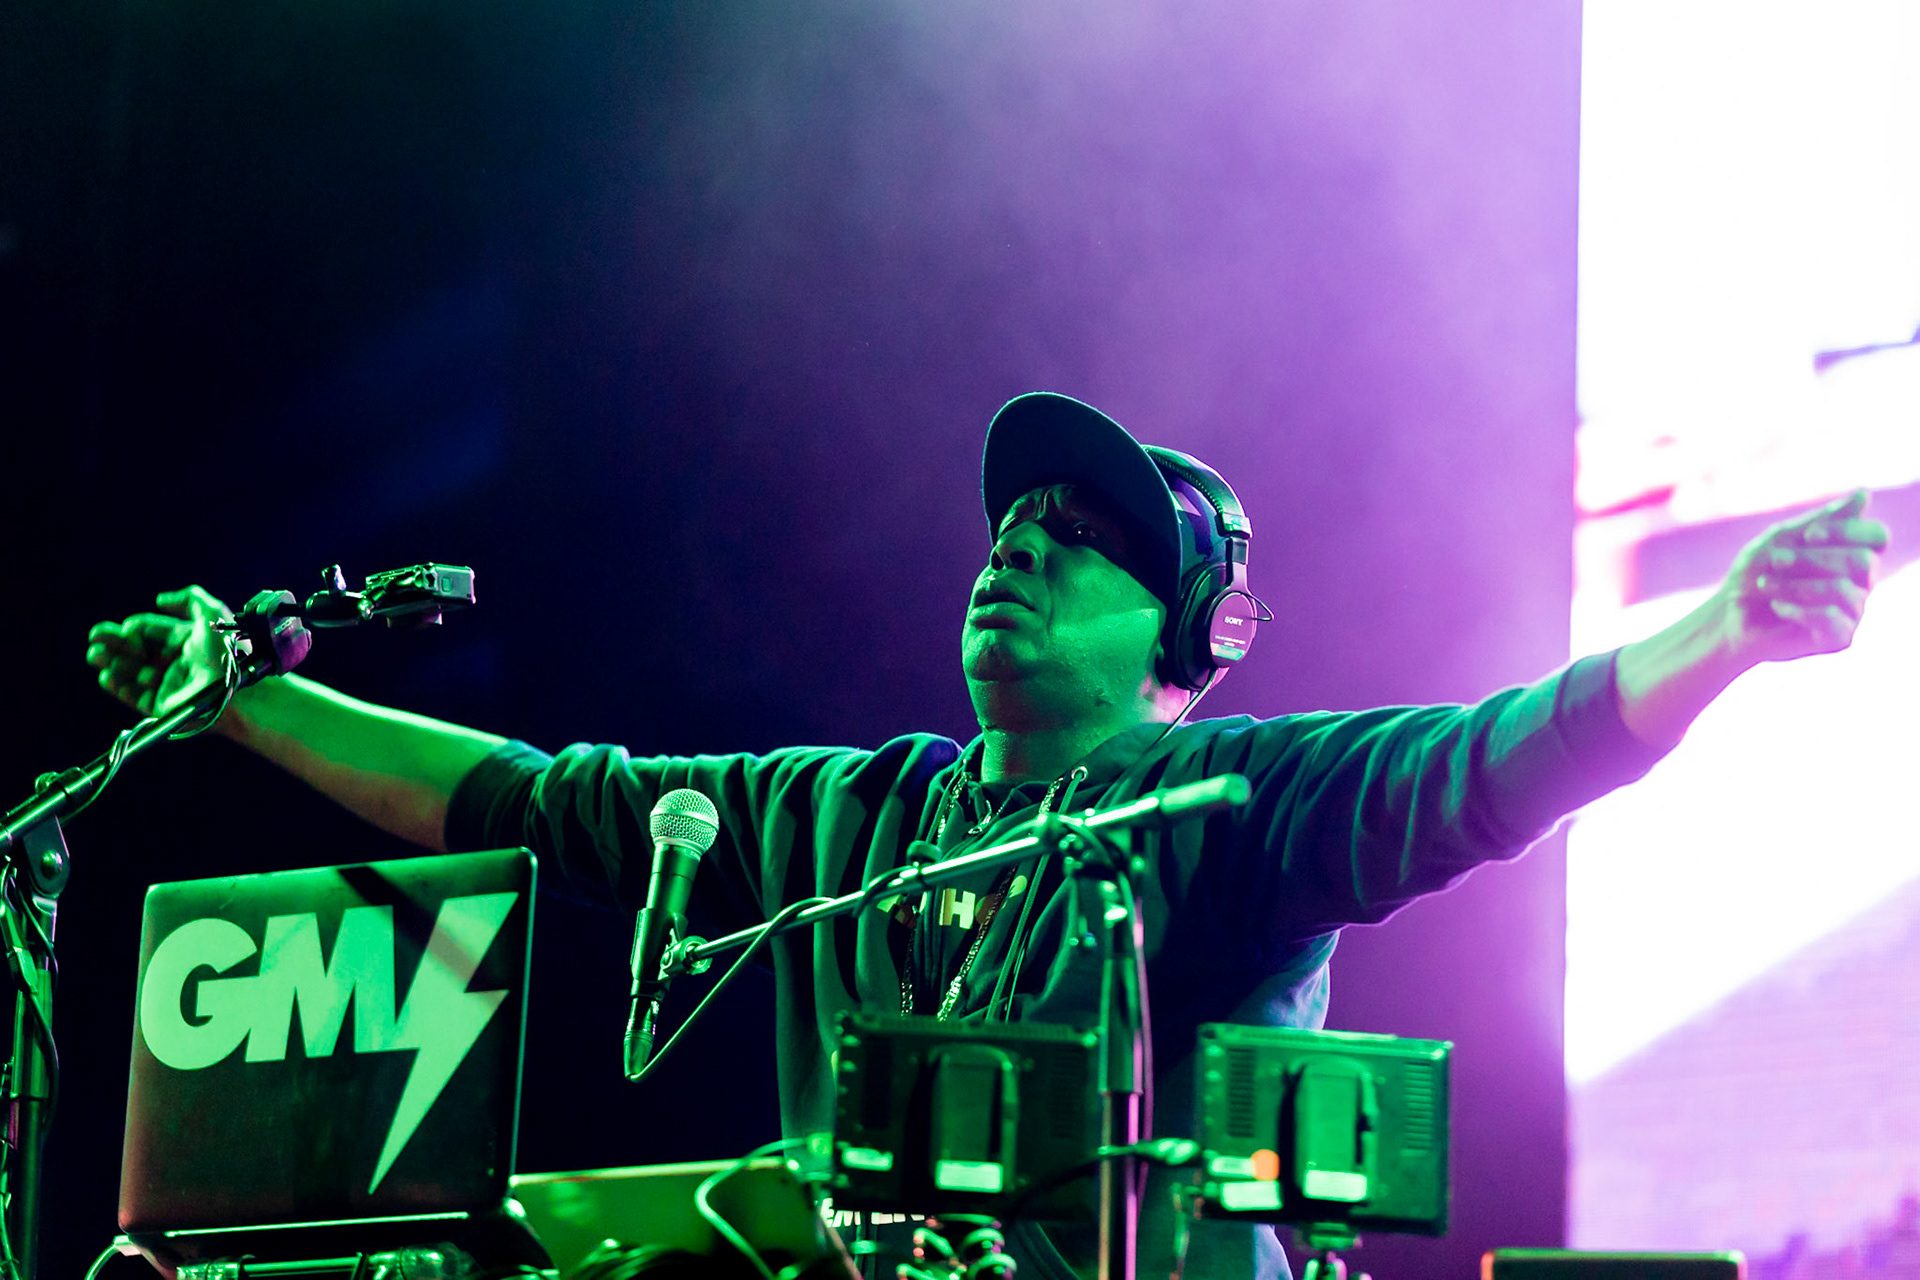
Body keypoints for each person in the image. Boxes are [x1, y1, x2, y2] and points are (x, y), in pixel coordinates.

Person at [86, 393, 1889, 1279]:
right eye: (1007, 520)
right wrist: (234, 692)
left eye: (1078, 534)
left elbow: (1501, 757)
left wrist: (1721, 631)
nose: (1015, 541)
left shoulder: (1234, 802)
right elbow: (519, 798)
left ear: (1189, 641)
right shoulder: (841, 815)